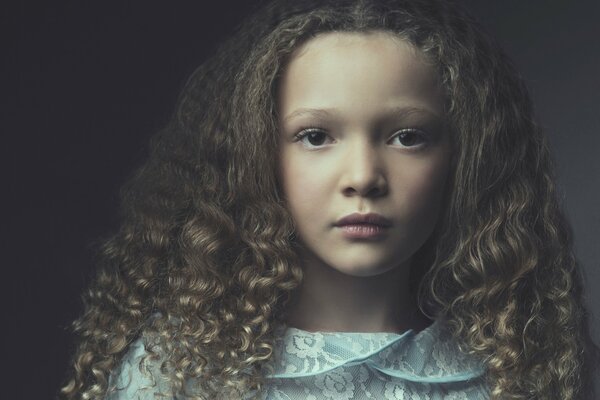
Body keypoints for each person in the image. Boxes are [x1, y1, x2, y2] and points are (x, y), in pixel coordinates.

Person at [59, 0, 599, 399]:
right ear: (258, 157)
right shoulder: (174, 376)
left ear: (464, 160)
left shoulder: (523, 377)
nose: (363, 177)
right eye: (316, 136)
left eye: (407, 136)